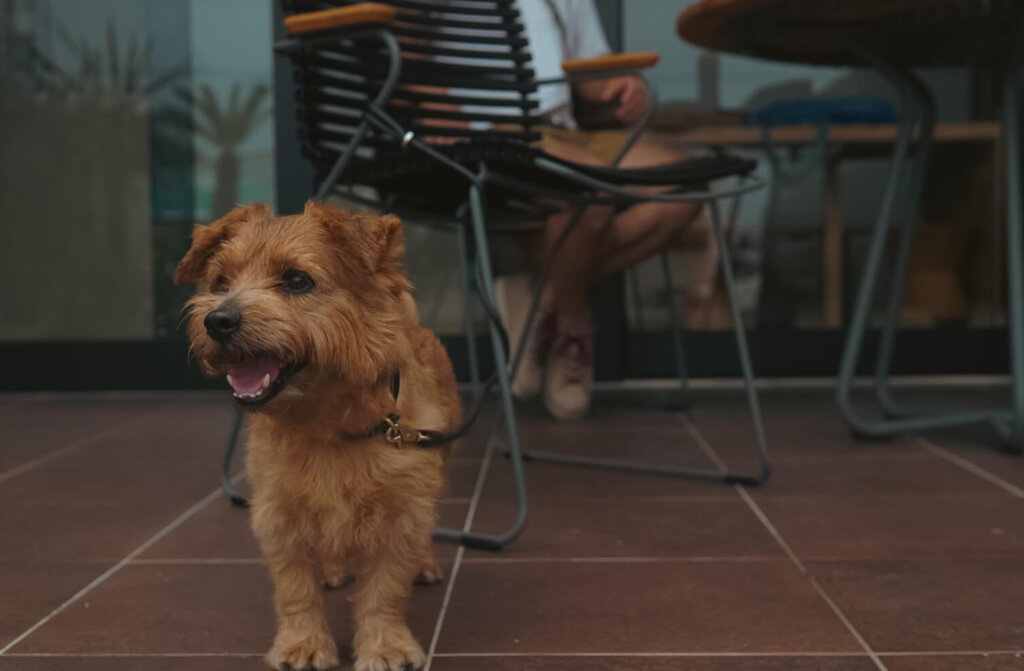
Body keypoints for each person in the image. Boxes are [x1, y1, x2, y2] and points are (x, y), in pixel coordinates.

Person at [493, 0, 703, 420]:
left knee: (686, 185)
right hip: (495, 132)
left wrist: (620, 84)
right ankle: (572, 324)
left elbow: (588, 69)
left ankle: (543, 296)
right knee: (589, 194)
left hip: (564, 131)